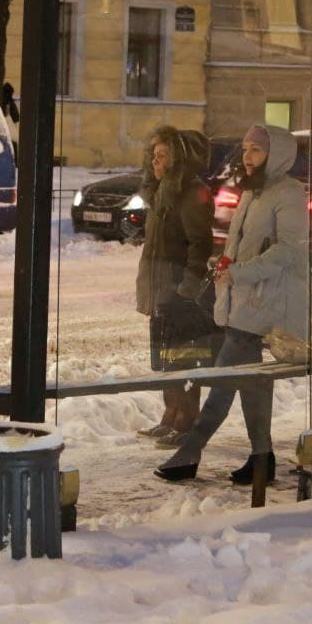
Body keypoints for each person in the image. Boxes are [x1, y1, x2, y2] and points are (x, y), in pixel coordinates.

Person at [154, 123, 308, 485]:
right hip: (244, 303)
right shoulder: (252, 193)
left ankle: (189, 453)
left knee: (222, 383)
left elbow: (287, 251)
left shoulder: (288, 193)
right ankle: (262, 457)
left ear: (278, 154)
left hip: (265, 304)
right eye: (245, 149)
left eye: (256, 149)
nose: (247, 156)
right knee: (253, 385)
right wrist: (224, 264)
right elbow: (244, 243)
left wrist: (239, 272)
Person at [134, 125, 217, 446]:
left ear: (178, 158)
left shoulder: (190, 192)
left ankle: (187, 421)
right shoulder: (160, 193)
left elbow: (200, 244)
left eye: (162, 156)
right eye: (153, 156)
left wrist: (188, 287)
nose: (155, 162)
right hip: (161, 290)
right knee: (166, 357)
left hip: (180, 292)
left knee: (186, 358)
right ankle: (170, 414)